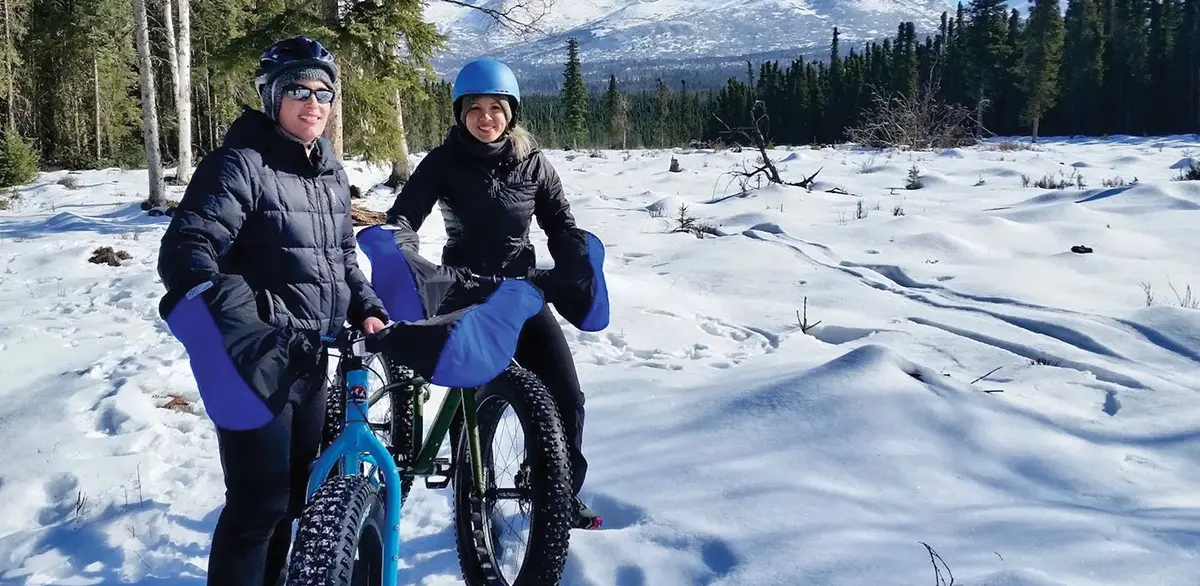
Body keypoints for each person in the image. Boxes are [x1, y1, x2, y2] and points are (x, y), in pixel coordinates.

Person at [156, 36, 389, 586]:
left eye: (324, 92)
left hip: (312, 359)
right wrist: (244, 324)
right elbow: (188, 248)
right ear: (271, 98)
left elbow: (340, 259)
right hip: (258, 362)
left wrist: (368, 309)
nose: (313, 102)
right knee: (256, 508)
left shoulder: (329, 171)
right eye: (297, 90)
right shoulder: (240, 164)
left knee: (292, 499)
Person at [383, 57, 601, 529]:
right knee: (473, 403)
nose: (487, 118)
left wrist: (576, 263)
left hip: (520, 293)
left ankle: (557, 489)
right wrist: (404, 257)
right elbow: (404, 218)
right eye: (475, 108)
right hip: (464, 292)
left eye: (497, 108)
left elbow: (560, 224)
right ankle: (470, 498)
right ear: (460, 112)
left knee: (565, 394)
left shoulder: (533, 164)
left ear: (512, 113)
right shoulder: (442, 162)